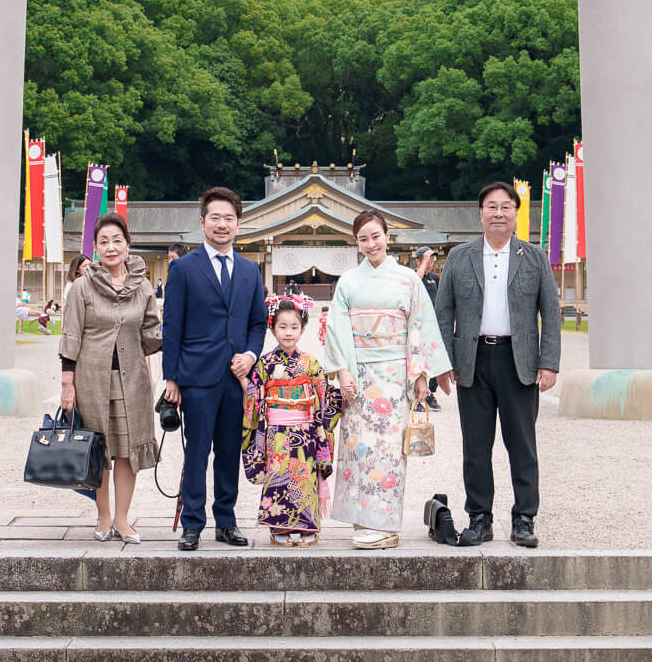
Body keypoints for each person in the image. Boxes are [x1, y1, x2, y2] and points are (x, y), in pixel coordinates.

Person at [434, 181, 561, 549]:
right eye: (492, 206)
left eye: (506, 207)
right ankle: (479, 517)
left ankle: (524, 518)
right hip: (471, 361)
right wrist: (444, 362)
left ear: (516, 213)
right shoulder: (460, 257)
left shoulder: (533, 257)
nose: (498, 213)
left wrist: (549, 362)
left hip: (517, 360)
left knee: (521, 444)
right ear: (481, 213)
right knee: (476, 445)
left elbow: (550, 315)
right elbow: (443, 313)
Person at [321, 210, 452, 549]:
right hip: (359, 375)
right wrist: (344, 372)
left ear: (387, 236)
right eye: (363, 239)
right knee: (358, 449)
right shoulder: (348, 281)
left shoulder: (407, 279)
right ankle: (363, 520)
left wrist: (421, 374)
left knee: (390, 451)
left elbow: (419, 325)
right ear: (357, 242)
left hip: (395, 377)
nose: (370, 244)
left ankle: (386, 525)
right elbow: (337, 331)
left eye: (375, 236)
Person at [161, 186, 267, 551]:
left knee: (228, 451)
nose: (223, 225)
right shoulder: (183, 268)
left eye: (230, 218)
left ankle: (226, 520)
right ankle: (192, 522)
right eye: (215, 218)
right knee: (197, 452)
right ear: (202, 222)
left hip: (236, 377)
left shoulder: (251, 271)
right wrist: (171, 377)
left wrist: (252, 355)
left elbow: (258, 323)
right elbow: (171, 325)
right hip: (196, 376)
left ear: (239, 223)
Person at [58, 213, 162, 543]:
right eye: (103, 242)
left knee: (127, 451)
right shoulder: (82, 286)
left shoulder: (142, 285)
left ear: (128, 245)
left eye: (117, 240)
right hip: (91, 379)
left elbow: (150, 333)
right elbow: (71, 335)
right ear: (95, 248)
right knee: (99, 450)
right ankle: (103, 516)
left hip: (133, 380)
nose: (111, 247)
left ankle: (122, 518)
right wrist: (67, 383)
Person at [241, 295, 341, 546]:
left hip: (306, 430)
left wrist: (339, 400)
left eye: (294, 327)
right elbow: (255, 393)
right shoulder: (264, 362)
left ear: (303, 329)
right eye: (282, 327)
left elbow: (322, 394)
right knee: (279, 474)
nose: (288, 333)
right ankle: (278, 524)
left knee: (305, 476)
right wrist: (245, 384)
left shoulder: (310, 363)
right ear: (272, 328)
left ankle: (307, 524)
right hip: (276, 431)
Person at [413, 246, 444, 410]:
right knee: (418, 360)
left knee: (435, 359)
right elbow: (414, 286)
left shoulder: (434, 278)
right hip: (417, 325)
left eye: (432, 259)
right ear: (418, 261)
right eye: (427, 259)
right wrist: (423, 265)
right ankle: (418, 397)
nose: (431, 263)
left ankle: (430, 392)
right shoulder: (413, 277)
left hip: (433, 324)